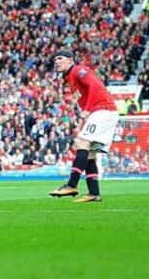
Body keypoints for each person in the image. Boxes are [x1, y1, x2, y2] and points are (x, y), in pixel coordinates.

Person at [49, 50, 118, 203]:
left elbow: (95, 85)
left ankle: (71, 185)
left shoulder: (77, 70)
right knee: (90, 153)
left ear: (70, 60)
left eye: (60, 58)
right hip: (103, 112)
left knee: (82, 142)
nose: (57, 62)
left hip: (102, 110)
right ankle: (94, 193)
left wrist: (87, 108)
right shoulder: (69, 77)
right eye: (55, 60)